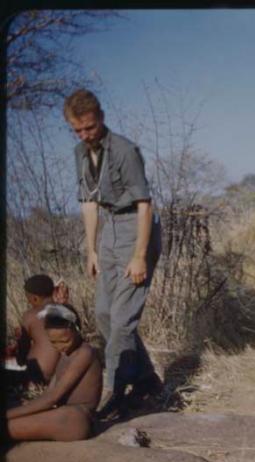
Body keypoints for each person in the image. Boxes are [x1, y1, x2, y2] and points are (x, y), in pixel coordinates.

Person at [63, 89, 162, 420]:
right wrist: (91, 249)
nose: (84, 135)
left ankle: (113, 394)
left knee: (122, 321)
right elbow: (89, 203)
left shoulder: (124, 150)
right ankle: (147, 378)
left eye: (89, 128)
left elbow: (144, 204)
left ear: (100, 118)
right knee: (105, 315)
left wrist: (140, 255)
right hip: (109, 230)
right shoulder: (80, 152)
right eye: (77, 130)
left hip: (137, 229)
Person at [5, 304, 102, 441]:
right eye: (53, 342)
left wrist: (8, 413)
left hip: (75, 419)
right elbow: (49, 393)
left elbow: (51, 399)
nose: (60, 347)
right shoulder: (65, 354)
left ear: (76, 329)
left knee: (8, 427)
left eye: (65, 341)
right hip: (62, 413)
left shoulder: (85, 353)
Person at [13, 274, 61, 386]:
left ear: (35, 298)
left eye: (28, 299)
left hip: (40, 375)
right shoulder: (68, 311)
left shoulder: (30, 315)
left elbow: (23, 351)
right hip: (67, 373)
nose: (29, 303)